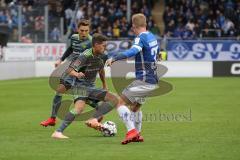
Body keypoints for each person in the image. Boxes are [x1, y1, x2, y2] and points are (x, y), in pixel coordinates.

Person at [105, 13, 160, 144]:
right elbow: (157, 54)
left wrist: (115, 57)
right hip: (153, 80)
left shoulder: (140, 38)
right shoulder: (152, 36)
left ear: (133, 26)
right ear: (145, 24)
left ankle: (131, 131)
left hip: (144, 79)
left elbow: (133, 51)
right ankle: (138, 134)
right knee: (135, 108)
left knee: (119, 103)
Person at [40, 19, 106, 127]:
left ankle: (99, 112)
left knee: (82, 98)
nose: (84, 33)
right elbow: (71, 49)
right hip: (71, 71)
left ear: (89, 30)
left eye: (86, 30)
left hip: (83, 74)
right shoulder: (74, 38)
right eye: (81, 30)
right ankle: (52, 118)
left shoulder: (91, 42)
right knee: (59, 91)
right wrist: (60, 60)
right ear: (77, 29)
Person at [52, 33, 118, 139]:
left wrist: (104, 85)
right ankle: (60, 132)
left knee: (112, 100)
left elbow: (101, 70)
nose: (105, 48)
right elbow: (70, 70)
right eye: (103, 45)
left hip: (90, 87)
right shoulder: (84, 56)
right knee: (111, 99)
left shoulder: (103, 56)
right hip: (80, 87)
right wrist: (77, 74)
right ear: (96, 44)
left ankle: (59, 131)